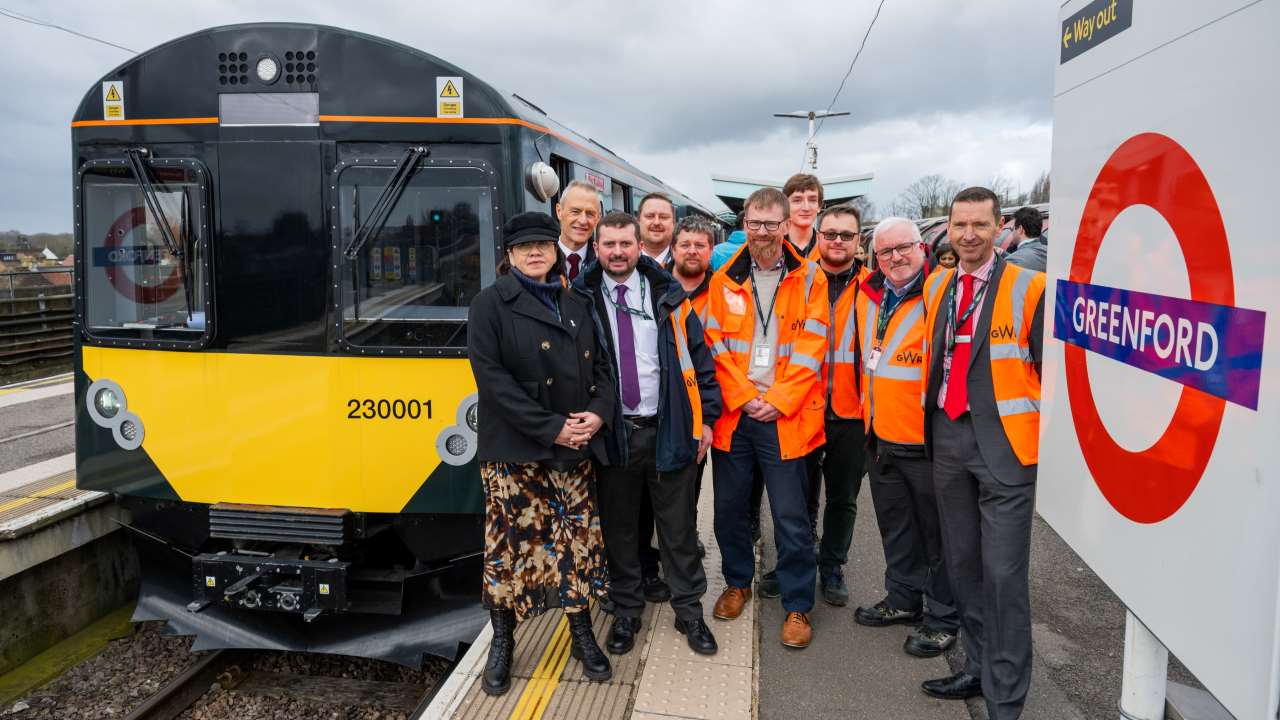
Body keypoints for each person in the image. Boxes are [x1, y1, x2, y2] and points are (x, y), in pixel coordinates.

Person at [466, 211, 617, 695]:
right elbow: (493, 383)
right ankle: (503, 641)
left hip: (573, 447)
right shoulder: (489, 305)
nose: (535, 252)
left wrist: (598, 414)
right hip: (516, 451)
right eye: (523, 247)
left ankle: (581, 633)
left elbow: (603, 369)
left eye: (543, 245)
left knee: (576, 544)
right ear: (509, 256)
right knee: (508, 550)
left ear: (556, 251)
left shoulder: (576, 303)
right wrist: (553, 429)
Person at [919, 187, 1046, 718]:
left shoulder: (1031, 287)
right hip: (948, 436)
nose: (968, 235)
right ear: (948, 228)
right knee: (964, 566)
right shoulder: (938, 285)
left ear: (1001, 228)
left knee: (1003, 576)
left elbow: (1050, 375)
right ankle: (976, 666)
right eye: (960, 224)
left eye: (980, 224)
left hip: (1006, 447)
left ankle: (1005, 699)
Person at [573, 211, 722, 657]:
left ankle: (689, 611)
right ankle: (626, 611)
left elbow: (700, 360)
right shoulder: (580, 299)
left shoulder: (669, 296)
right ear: (596, 249)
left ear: (640, 247)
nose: (618, 252)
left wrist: (706, 420)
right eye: (609, 244)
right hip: (613, 435)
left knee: (678, 529)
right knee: (619, 531)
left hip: (667, 429)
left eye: (626, 244)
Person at [705, 187, 828, 649]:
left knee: (790, 516)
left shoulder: (811, 278)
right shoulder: (724, 280)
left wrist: (777, 398)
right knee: (729, 510)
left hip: (784, 416)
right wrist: (743, 397)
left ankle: (797, 605)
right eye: (754, 223)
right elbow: (715, 345)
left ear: (786, 226)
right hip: (737, 417)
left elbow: (813, 347)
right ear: (745, 224)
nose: (762, 232)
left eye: (771, 224)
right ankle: (738, 582)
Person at [853, 217, 960, 658]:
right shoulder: (870, 294)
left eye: (904, 247)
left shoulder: (942, 292)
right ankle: (902, 599)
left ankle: (943, 618)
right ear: (875, 256)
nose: (895, 257)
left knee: (938, 536)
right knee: (896, 527)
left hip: (926, 439)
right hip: (880, 433)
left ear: (922, 247)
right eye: (885, 251)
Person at [805, 203, 870, 607]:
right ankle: (796, 559)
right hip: (803, 407)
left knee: (843, 498)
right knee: (797, 496)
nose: (837, 241)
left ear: (858, 240)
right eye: (830, 234)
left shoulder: (874, 287)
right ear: (818, 236)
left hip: (852, 413)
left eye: (846, 235)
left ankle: (832, 565)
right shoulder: (797, 280)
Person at [556, 180, 601, 281]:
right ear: (559, 212)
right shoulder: (541, 261)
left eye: (590, 214)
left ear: (598, 218)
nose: (583, 221)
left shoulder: (605, 264)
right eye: (575, 212)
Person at [783, 173, 824, 257]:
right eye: (797, 200)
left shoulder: (828, 246)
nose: (806, 208)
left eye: (812, 200)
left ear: (819, 206)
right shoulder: (772, 245)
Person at [637, 192, 677, 268]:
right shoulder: (622, 262)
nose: (656, 222)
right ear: (638, 221)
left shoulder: (686, 264)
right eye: (650, 216)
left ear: (674, 223)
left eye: (663, 217)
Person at [1004, 207, 1047, 273]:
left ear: (1020, 229)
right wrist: (1004, 253)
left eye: (1013, 228)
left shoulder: (1012, 262)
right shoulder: (1048, 252)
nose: (1012, 232)